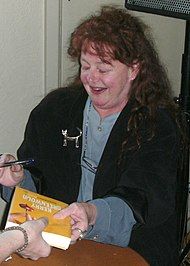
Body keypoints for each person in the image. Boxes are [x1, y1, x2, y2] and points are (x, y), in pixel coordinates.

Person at [0, 6, 186, 265]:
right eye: (85, 66)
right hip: (54, 242)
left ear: (134, 69)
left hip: (130, 245)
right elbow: (36, 187)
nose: (91, 78)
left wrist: (92, 213)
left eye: (104, 68)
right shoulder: (54, 110)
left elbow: (144, 201)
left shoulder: (157, 124)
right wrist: (15, 182)